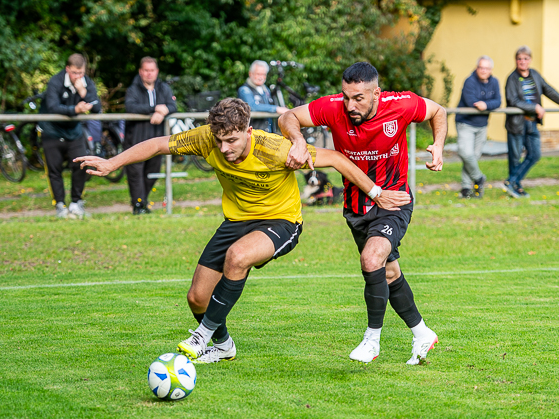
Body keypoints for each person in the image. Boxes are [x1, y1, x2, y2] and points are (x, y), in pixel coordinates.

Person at [75, 98, 410, 363]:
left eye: (232, 140)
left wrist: (376, 193)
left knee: (237, 258)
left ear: (248, 131)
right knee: (197, 298)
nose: (224, 149)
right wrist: (112, 163)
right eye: (220, 141)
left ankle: (202, 336)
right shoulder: (206, 138)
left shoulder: (274, 149)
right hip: (236, 221)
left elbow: (336, 158)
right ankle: (222, 346)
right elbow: (159, 144)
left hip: (281, 221)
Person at [278, 61, 447, 366]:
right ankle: (422, 333)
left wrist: (438, 145)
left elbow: (438, 111)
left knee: (371, 259)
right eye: (346, 97)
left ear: (376, 93)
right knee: (387, 272)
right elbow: (287, 116)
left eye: (358, 98)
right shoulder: (332, 108)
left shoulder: (401, 104)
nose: (350, 105)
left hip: (393, 201)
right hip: (356, 207)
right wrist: (298, 139)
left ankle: (372, 340)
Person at [505, 46, 559, 198]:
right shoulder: (512, 78)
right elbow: (513, 100)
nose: (522, 61)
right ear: (516, 60)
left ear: (530, 60)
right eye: (519, 59)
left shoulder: (535, 75)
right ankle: (516, 187)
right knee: (515, 158)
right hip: (517, 124)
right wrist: (534, 107)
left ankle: (511, 182)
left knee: (535, 154)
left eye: (525, 58)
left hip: (532, 122)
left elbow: (549, 90)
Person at [39, 53, 101, 219]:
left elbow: (96, 107)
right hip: (52, 131)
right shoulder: (56, 81)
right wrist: (75, 110)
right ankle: (60, 205)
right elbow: (52, 107)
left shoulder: (86, 82)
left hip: (74, 132)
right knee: (55, 170)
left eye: (81, 73)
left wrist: (83, 91)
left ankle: (76, 202)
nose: (78, 77)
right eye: (74, 73)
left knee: (81, 165)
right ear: (67, 69)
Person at [124, 57, 177, 214]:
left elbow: (172, 105)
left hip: (157, 138)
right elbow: (130, 106)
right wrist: (154, 109)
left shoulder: (163, 88)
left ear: (157, 71)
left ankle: (143, 202)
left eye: (152, 70)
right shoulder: (133, 89)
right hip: (136, 137)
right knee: (136, 173)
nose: (149, 73)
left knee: (152, 171)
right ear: (141, 71)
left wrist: (164, 111)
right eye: (146, 70)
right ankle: (138, 204)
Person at [455, 56, 501, 198]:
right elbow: (471, 101)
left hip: (482, 125)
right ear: (477, 68)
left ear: (491, 70)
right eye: (481, 67)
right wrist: (486, 104)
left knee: (473, 157)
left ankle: (465, 189)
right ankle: (479, 177)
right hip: (465, 123)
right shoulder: (469, 81)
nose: (483, 70)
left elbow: (498, 101)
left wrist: (486, 105)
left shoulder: (494, 82)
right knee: (466, 153)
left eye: (486, 68)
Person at [237, 61, 288, 133]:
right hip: (253, 134)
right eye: (258, 74)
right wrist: (276, 109)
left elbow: (268, 105)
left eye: (263, 74)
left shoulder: (265, 89)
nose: (261, 77)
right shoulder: (244, 90)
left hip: (268, 133)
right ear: (250, 74)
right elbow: (252, 106)